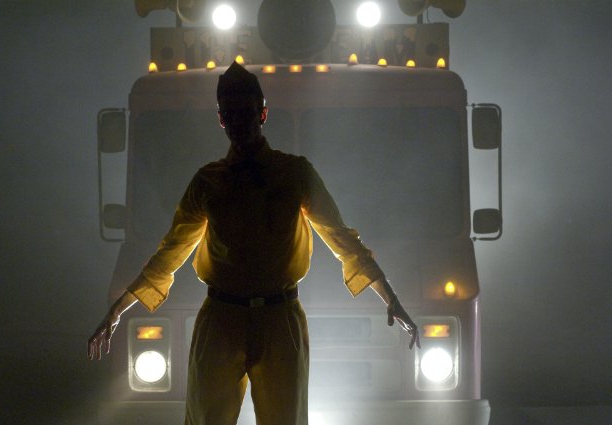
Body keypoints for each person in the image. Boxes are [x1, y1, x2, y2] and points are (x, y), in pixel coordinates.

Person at [88, 61, 419, 425]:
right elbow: (169, 253)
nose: (238, 122)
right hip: (221, 318)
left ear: (262, 113)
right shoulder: (208, 181)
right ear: (221, 119)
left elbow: (342, 239)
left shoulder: (294, 173)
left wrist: (391, 298)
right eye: (230, 114)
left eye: (245, 112)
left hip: (281, 317)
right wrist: (117, 311)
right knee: (207, 420)